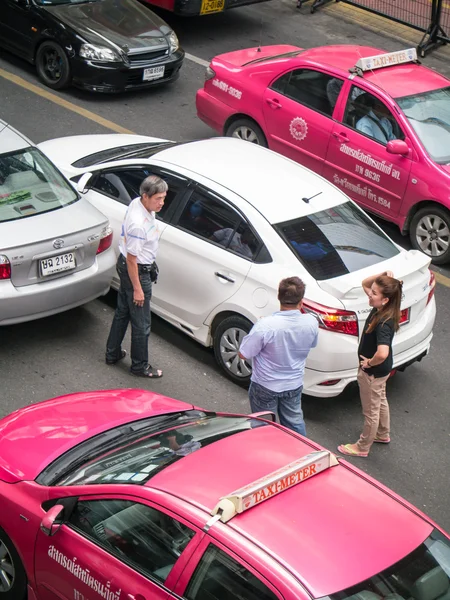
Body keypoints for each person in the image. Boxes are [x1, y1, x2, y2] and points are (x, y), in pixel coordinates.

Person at [239, 277, 319, 436]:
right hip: (294, 384)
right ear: (301, 302)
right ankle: (300, 452)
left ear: (279, 297)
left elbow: (243, 353)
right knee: (294, 422)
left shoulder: (266, 326)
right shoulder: (311, 322)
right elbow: (312, 344)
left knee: (265, 425)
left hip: (265, 385)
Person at [105, 175, 167, 378]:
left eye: (163, 198)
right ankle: (140, 366)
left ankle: (112, 353)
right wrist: (138, 289)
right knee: (141, 324)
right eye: (158, 198)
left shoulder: (139, 205)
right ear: (145, 196)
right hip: (136, 271)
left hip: (131, 265)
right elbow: (133, 260)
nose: (161, 203)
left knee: (123, 312)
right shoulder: (139, 224)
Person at [338, 271, 403, 457]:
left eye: (374, 293)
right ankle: (382, 434)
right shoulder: (384, 308)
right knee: (380, 400)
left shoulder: (383, 323)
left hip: (372, 372)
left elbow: (382, 353)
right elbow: (365, 282)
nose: (370, 294)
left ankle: (362, 447)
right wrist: (382, 276)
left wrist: (368, 363)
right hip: (382, 372)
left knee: (370, 411)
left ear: (385, 300)